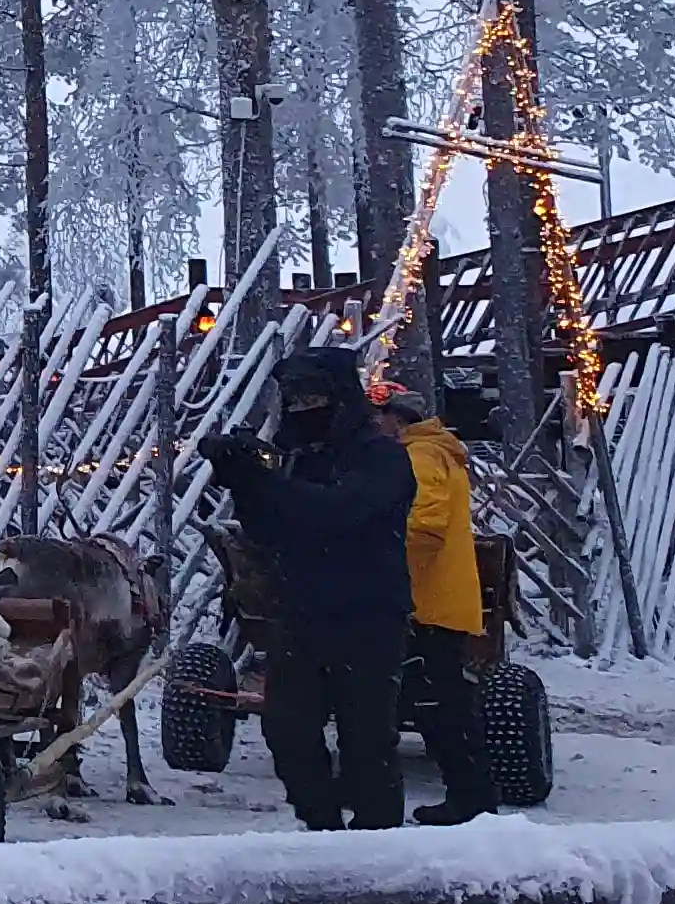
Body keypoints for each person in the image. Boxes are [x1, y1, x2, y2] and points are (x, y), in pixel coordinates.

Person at [204, 344, 416, 830]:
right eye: (295, 402)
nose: (304, 412)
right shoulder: (295, 458)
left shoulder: (382, 458)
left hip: (369, 616)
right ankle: (320, 826)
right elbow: (267, 529)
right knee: (287, 729)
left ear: (340, 399)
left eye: (313, 400)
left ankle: (379, 840)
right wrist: (243, 481)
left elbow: (333, 513)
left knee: (367, 740)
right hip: (300, 613)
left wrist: (266, 482)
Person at [379, 384, 496, 825]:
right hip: (436, 600)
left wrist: (376, 545)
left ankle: (470, 800)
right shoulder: (434, 451)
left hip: (426, 601)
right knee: (440, 701)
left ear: (398, 419)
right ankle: (472, 796)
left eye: (382, 417)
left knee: (438, 704)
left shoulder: (420, 456)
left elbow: (425, 526)